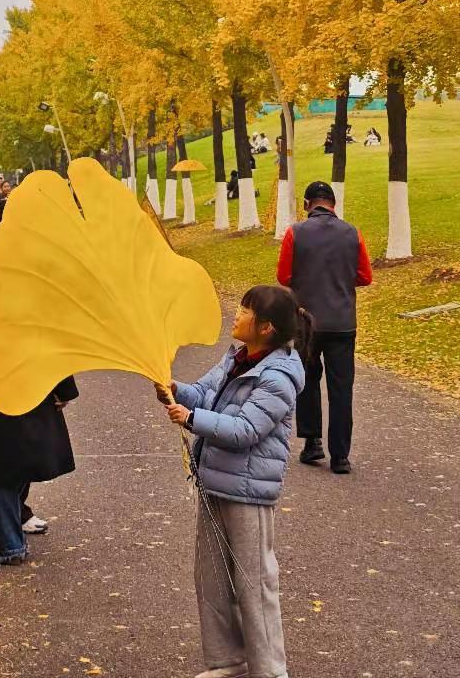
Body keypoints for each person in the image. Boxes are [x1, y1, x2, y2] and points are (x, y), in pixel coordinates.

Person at [160, 284, 311, 678]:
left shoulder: (278, 376)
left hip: (248, 492)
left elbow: (246, 430)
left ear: (266, 328)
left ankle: (270, 670)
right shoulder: (237, 358)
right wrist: (175, 390)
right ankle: (228, 662)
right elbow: (203, 393)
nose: (237, 315)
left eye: (245, 310)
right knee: (211, 578)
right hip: (214, 482)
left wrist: (190, 419)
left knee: (254, 583)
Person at [0, 187, 78, 566]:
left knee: (0, 459)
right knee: (11, 461)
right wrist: (62, 380)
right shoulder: (17, 268)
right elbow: (46, 326)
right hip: (24, 374)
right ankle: (9, 543)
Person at [276, 180, 372, 474]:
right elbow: (365, 276)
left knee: (306, 381)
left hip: (307, 322)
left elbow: (283, 276)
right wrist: (341, 281)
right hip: (343, 323)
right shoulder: (352, 233)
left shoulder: (295, 232)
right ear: (333, 204)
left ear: (307, 204)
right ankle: (341, 457)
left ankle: (312, 442)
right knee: (342, 388)